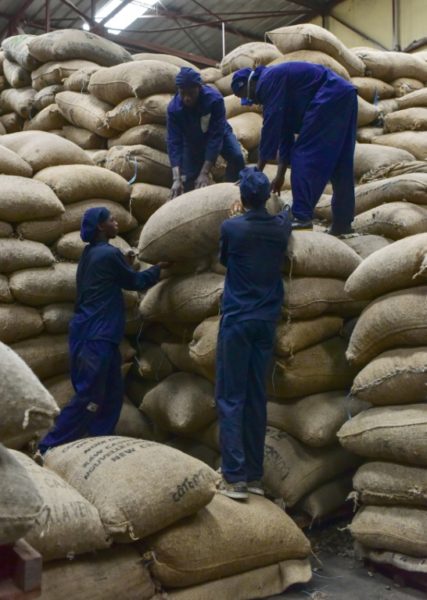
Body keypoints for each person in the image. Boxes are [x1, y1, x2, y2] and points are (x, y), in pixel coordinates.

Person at [35, 207, 166, 461]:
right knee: (90, 397)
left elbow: (111, 275)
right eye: (112, 220)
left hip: (92, 333)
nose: (117, 223)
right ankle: (47, 445)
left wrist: (124, 264)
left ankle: (99, 443)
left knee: (112, 394)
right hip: (98, 335)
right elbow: (135, 282)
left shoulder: (91, 253)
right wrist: (159, 269)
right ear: (100, 227)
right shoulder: (108, 253)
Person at [216, 167, 292, 500]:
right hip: (266, 322)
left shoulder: (231, 227)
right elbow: (287, 215)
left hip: (237, 321)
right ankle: (254, 475)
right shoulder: (280, 229)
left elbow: (223, 261)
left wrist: (237, 214)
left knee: (231, 397)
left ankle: (234, 478)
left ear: (242, 199)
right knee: (256, 397)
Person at [231, 62, 358, 235]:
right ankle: (343, 224)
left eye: (247, 95)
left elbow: (271, 127)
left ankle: (302, 217)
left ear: (251, 83)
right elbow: (285, 134)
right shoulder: (277, 86)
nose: (253, 101)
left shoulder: (267, 81)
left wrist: (256, 172)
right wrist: (280, 175)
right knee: (340, 162)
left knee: (304, 155)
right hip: (343, 94)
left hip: (329, 95)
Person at [167, 66, 245, 198]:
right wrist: (176, 178)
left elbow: (216, 137)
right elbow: (174, 143)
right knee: (188, 179)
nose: (187, 98)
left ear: (200, 88)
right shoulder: (174, 109)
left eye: (191, 93)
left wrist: (205, 172)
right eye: (183, 93)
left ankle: (231, 195)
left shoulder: (214, 100)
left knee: (237, 157)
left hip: (218, 133)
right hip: (191, 140)